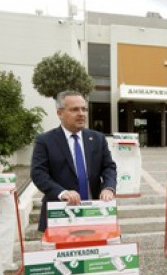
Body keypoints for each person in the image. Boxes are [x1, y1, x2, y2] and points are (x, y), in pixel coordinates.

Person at [31, 91, 117, 232]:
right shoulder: (45, 141)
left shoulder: (98, 138)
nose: (81, 113)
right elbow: (38, 173)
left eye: (84, 109)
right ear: (60, 113)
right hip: (60, 214)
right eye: (74, 109)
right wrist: (61, 192)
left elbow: (108, 167)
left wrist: (108, 187)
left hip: (95, 212)